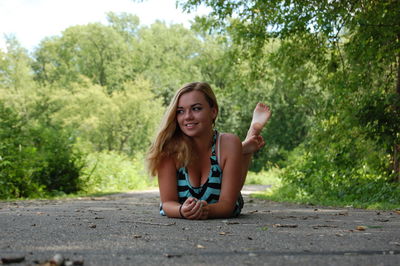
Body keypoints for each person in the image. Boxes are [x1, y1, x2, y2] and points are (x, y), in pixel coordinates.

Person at [147, 82, 271, 219]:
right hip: (222, 156)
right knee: (232, 150)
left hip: (222, 164)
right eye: (180, 111)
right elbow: (168, 203)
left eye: (196, 109)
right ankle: (243, 149)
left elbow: (227, 205)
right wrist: (182, 210)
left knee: (231, 150)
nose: (187, 116)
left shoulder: (229, 142)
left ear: (213, 111)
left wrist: (206, 210)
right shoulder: (169, 149)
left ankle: (248, 141)